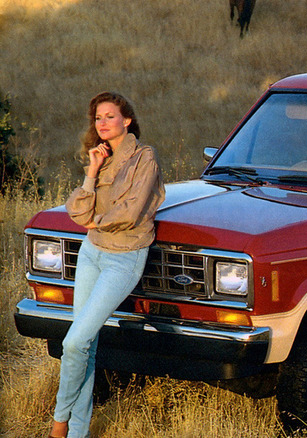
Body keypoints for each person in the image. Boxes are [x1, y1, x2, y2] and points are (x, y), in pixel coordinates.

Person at [49, 92, 165, 438]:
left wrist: (94, 221)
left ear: (126, 120)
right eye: (98, 117)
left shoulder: (145, 158)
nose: (102, 123)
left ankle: (58, 423)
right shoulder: (100, 157)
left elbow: (130, 213)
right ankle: (78, 433)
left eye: (110, 116)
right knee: (85, 345)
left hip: (123, 258)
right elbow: (77, 210)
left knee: (73, 343)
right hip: (91, 253)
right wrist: (93, 170)